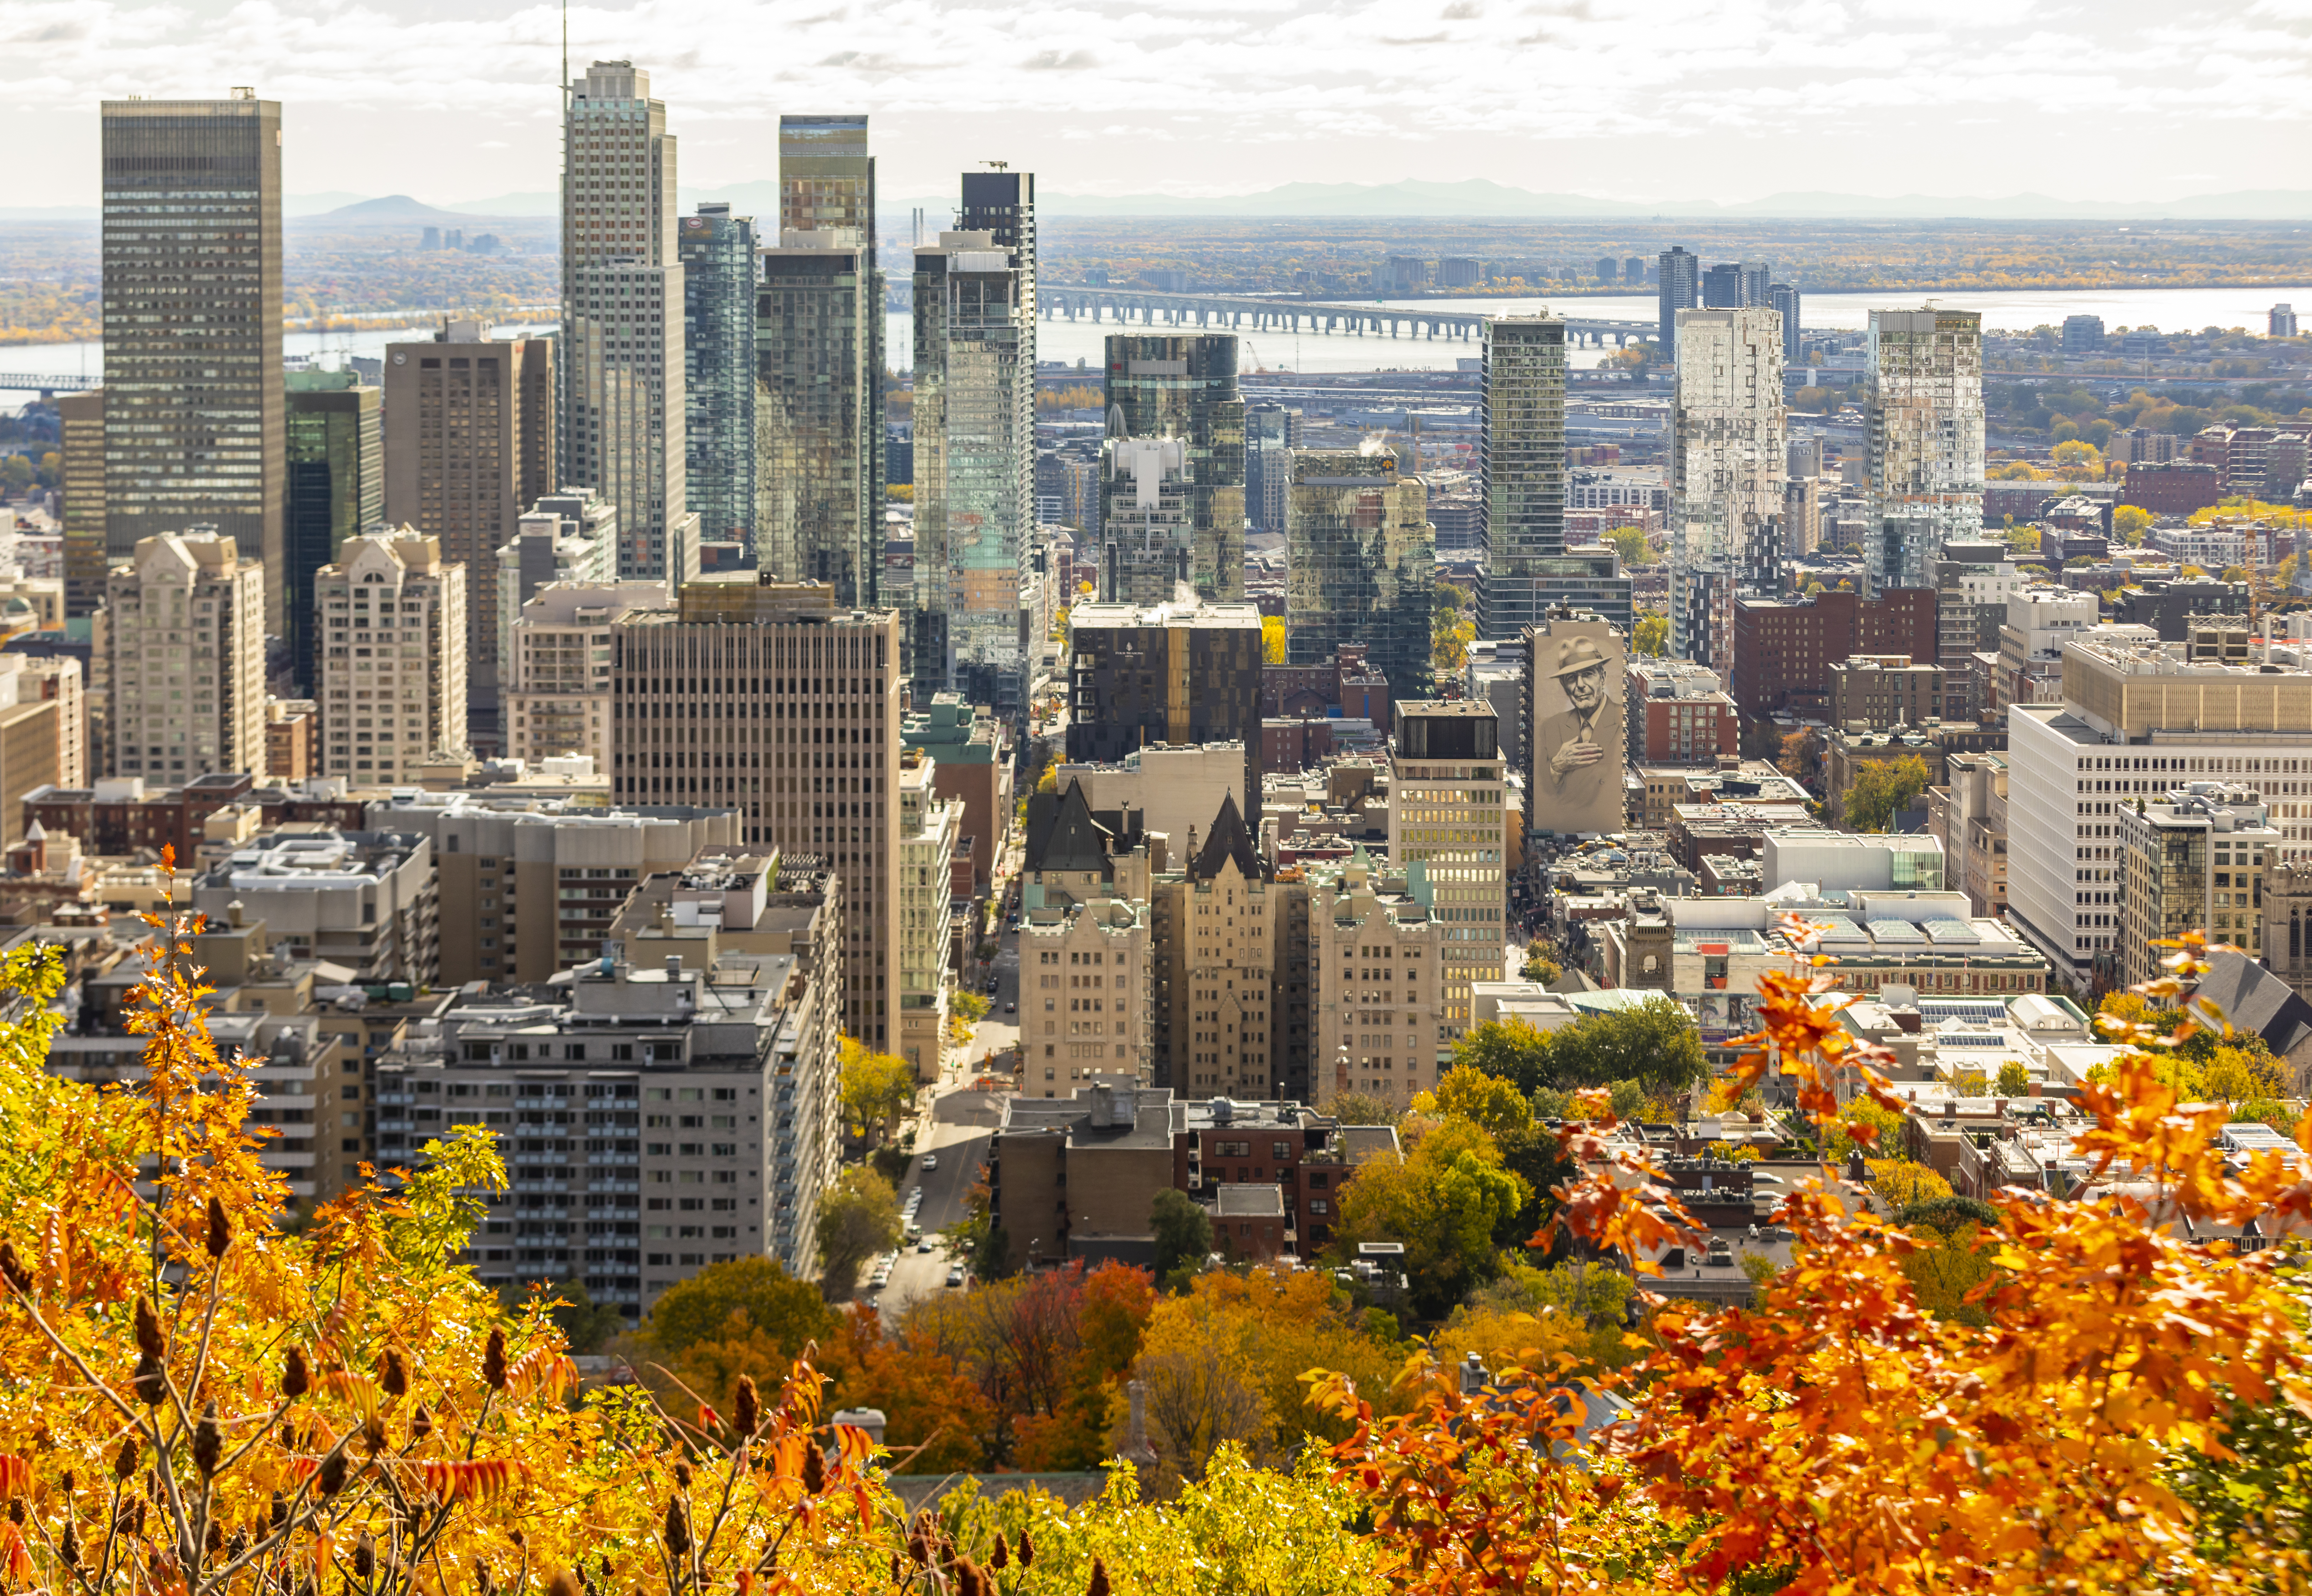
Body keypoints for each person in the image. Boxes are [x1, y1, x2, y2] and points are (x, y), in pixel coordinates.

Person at [1535, 634, 1617, 831]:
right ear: (1565, 687)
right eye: (1572, 678)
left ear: (1603, 678)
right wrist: (1556, 767)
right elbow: (1542, 789)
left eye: (1588, 674)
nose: (1580, 685)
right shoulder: (1551, 727)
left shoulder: (1620, 720)